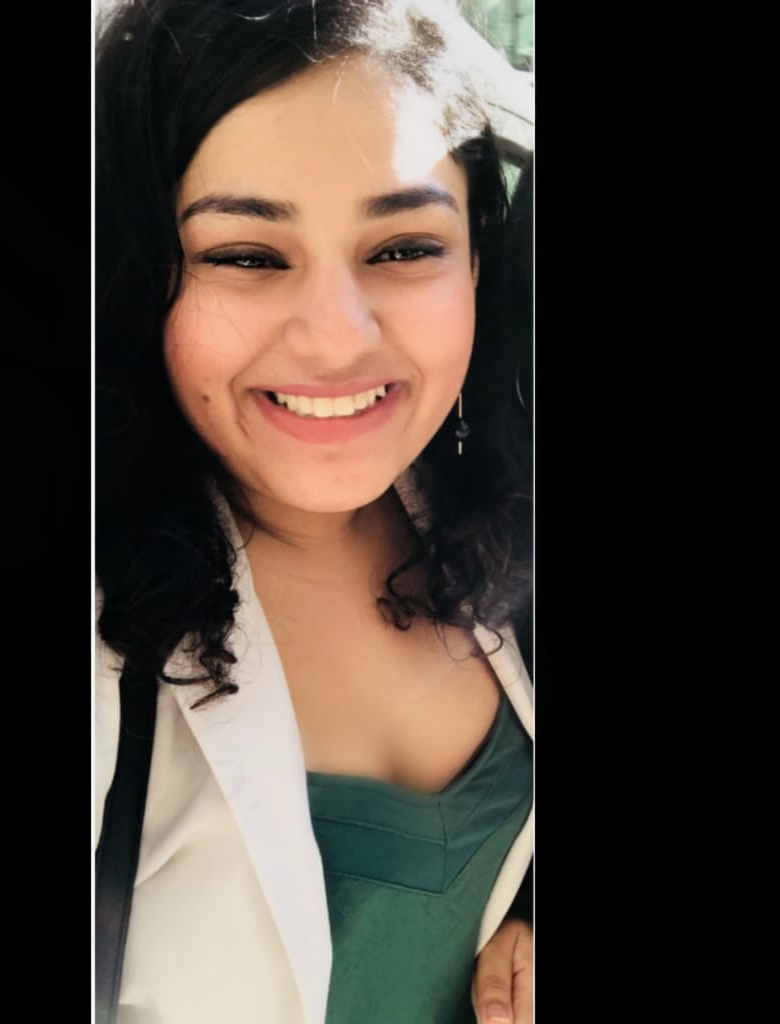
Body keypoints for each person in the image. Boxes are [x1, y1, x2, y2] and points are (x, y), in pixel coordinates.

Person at [94, 2, 534, 1022]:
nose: (338, 340)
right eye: (246, 255)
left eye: (404, 247)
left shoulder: (491, 513)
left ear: (478, 260)